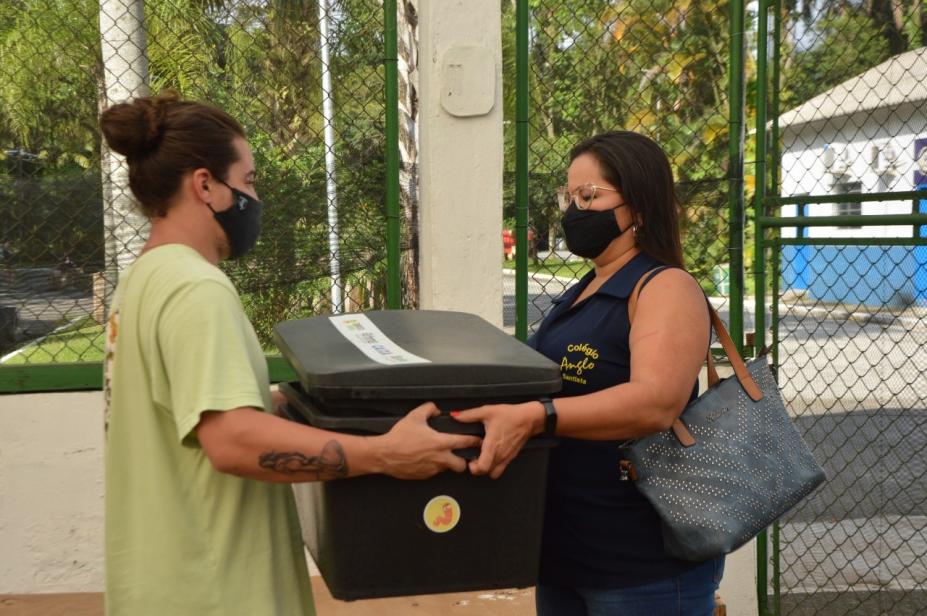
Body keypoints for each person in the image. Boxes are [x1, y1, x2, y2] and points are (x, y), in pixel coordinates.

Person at [100, 92, 480, 616]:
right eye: (249, 180)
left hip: (162, 582)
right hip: (216, 592)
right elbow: (232, 441)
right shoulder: (196, 290)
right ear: (206, 185)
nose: (256, 198)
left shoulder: (141, 281)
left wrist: (289, 411)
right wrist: (383, 455)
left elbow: (185, 422)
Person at [454, 131, 722, 615]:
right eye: (569, 196)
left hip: (642, 566)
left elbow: (656, 402)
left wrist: (538, 417)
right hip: (566, 559)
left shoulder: (664, 287)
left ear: (638, 206)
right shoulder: (584, 289)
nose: (574, 209)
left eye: (589, 196)